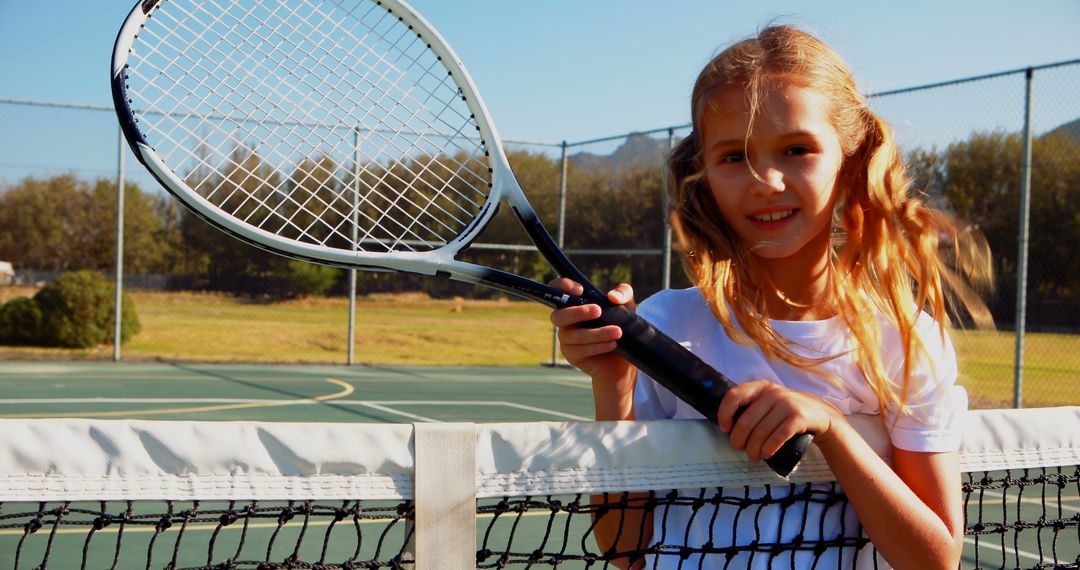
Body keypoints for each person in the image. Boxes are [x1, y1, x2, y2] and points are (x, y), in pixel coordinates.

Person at [550, 25, 992, 570]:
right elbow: (624, 549)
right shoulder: (666, 323)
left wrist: (831, 427)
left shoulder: (906, 342)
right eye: (733, 156)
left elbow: (935, 559)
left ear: (850, 164)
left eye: (796, 149)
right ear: (703, 173)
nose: (766, 181)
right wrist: (614, 385)